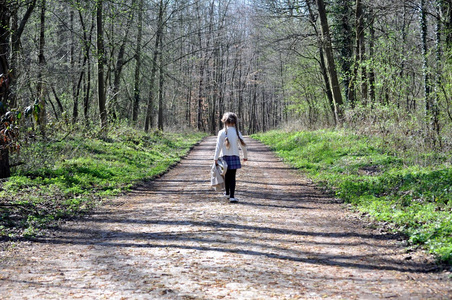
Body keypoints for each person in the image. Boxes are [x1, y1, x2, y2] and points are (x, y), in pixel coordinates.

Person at [214, 112, 248, 202]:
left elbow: (218, 147)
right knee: (232, 176)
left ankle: (227, 193)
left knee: (225, 175)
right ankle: (232, 196)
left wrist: (215, 158)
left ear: (224, 121)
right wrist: (245, 156)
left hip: (224, 157)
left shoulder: (221, 132)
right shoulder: (237, 132)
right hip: (235, 157)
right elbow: (243, 146)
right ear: (234, 122)